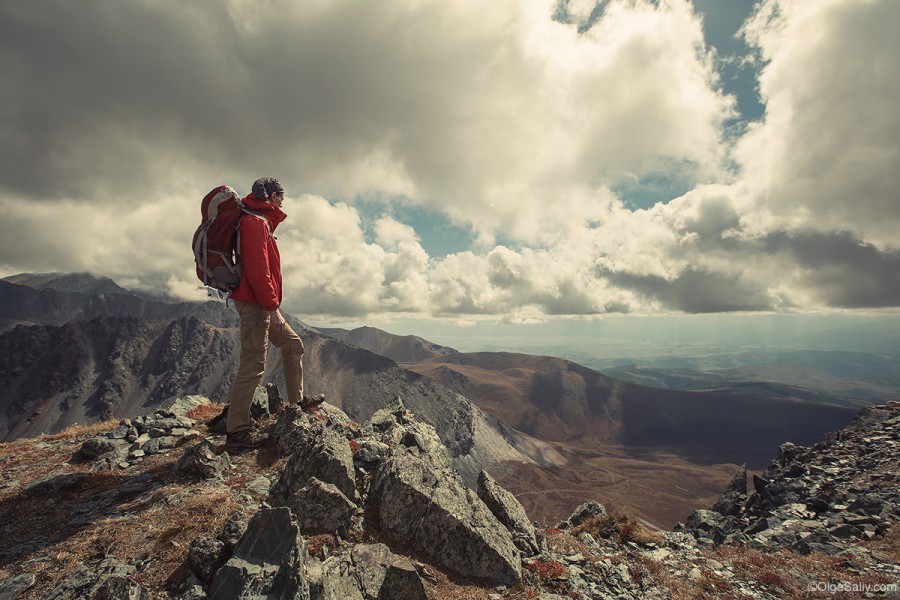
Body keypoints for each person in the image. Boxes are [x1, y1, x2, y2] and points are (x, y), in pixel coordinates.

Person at [224, 177, 323, 449]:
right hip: (255, 305)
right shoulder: (254, 223)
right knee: (254, 364)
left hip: (260, 303)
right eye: (280, 195)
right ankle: (237, 433)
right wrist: (273, 309)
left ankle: (297, 404)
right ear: (269, 196)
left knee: (293, 345)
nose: (283, 200)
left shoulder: (260, 221)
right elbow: (259, 271)